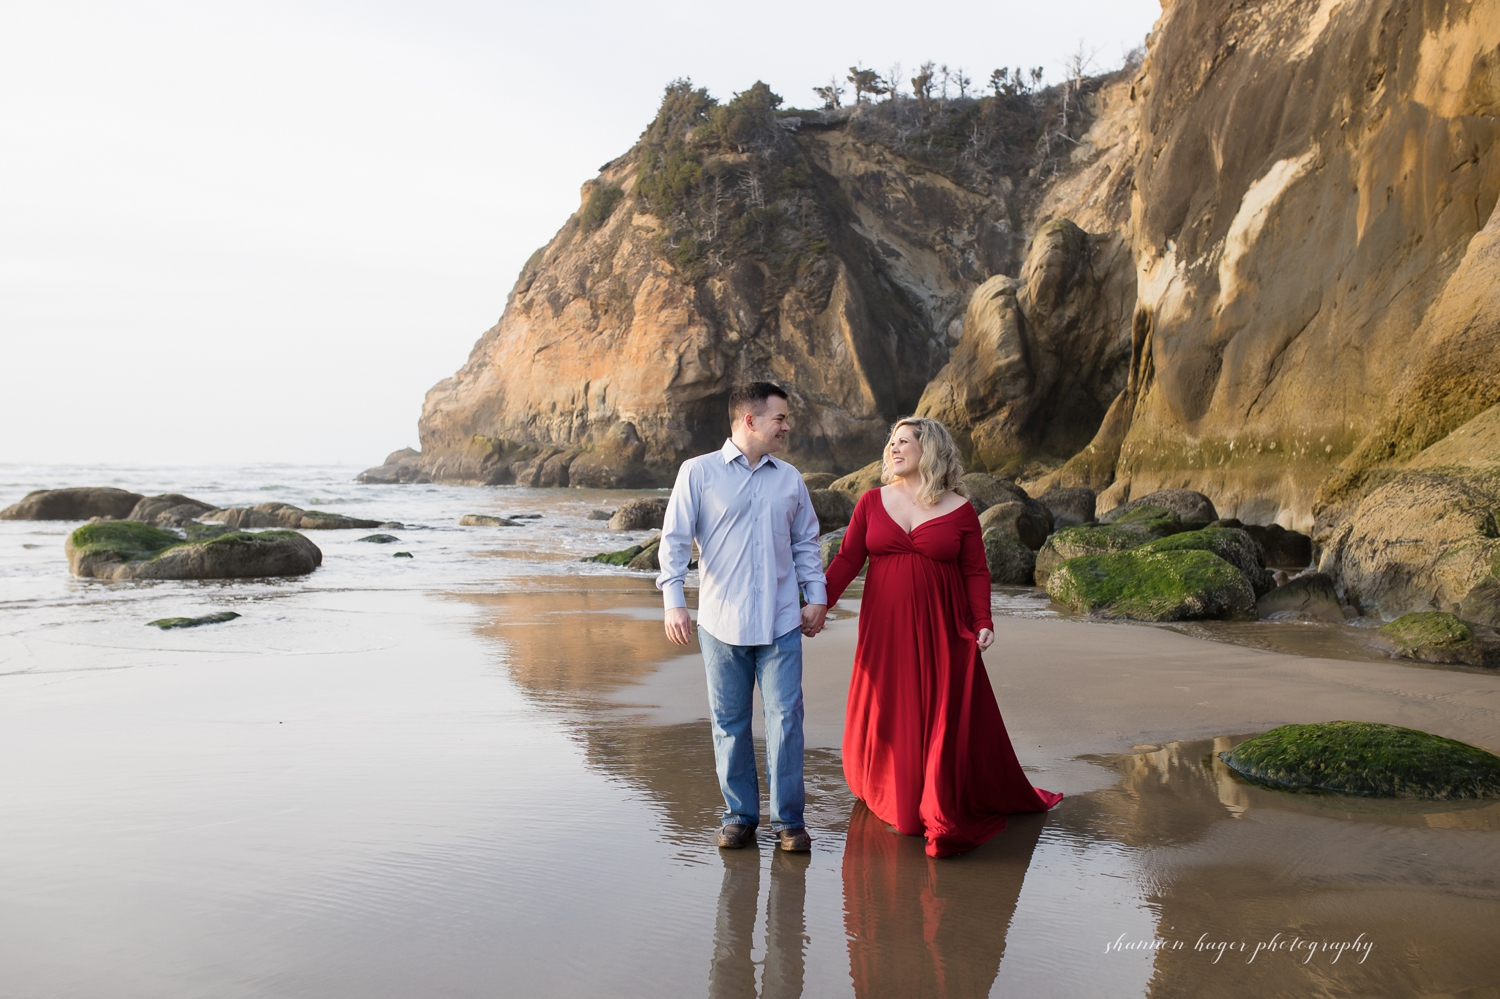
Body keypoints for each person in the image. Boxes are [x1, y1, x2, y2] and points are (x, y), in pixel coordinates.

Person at [823, 416, 1061, 858]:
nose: (893, 449)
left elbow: (975, 570)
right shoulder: (872, 502)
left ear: (929, 450)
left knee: (935, 716)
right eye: (891, 443)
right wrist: (819, 604)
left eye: (904, 442)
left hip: (943, 631)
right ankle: (892, 789)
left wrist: (983, 620)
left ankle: (930, 797)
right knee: (894, 708)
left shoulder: (960, 510)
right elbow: (847, 559)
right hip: (885, 631)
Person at [657, 381, 828, 852]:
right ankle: (739, 817)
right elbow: (674, 541)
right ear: (749, 421)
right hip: (720, 622)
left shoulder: (790, 479)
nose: (787, 427)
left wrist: (816, 596)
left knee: (786, 719)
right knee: (729, 721)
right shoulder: (697, 473)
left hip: (781, 621)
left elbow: (805, 544)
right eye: (780, 419)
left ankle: (789, 822)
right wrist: (674, 600)